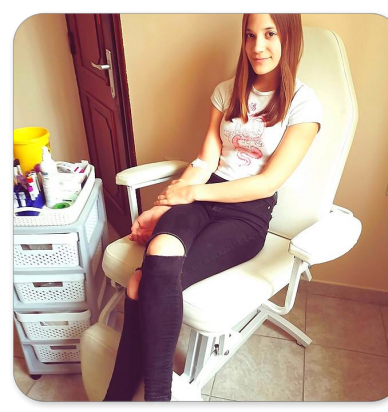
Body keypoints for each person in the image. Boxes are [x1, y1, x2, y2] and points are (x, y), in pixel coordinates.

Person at [103, 13, 322, 406]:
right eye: (250, 35)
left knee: (141, 283)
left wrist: (192, 194)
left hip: (247, 214)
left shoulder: (304, 104)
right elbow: (205, 161)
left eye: (270, 34)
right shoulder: (226, 91)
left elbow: (267, 183)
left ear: (289, 37)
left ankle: (141, 397)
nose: (258, 47)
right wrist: (167, 203)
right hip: (203, 196)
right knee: (157, 254)